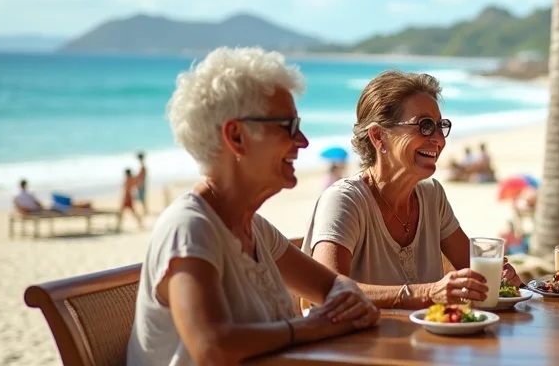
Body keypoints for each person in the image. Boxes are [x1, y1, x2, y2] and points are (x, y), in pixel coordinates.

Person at [127, 47, 378, 365]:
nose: (302, 141)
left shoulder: (254, 228)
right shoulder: (190, 228)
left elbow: (333, 284)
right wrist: (313, 326)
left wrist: (348, 299)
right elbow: (212, 347)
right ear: (236, 136)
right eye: (288, 126)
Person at [304, 70, 521, 309]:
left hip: (424, 343)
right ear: (378, 136)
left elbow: (472, 269)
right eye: (425, 125)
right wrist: (428, 293)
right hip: (359, 345)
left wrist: (499, 277)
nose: (439, 139)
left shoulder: (431, 194)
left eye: (441, 126)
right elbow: (327, 289)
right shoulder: (344, 200)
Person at [135, 151, 149, 215]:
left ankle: (145, 210)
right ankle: (145, 210)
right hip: (141, 184)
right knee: (141, 198)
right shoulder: (142, 166)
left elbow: (142, 176)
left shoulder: (142, 166)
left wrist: (140, 183)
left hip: (141, 184)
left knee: (141, 198)